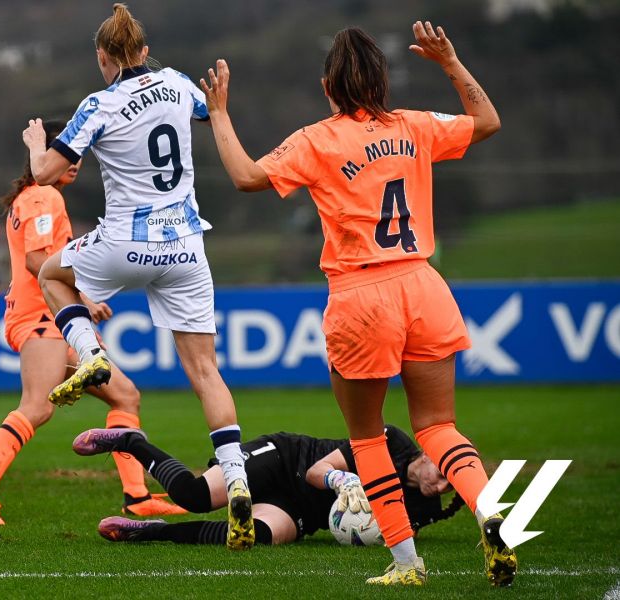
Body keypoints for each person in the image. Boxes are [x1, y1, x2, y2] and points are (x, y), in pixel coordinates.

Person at [198, 22, 516, 585]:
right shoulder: (416, 126)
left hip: (361, 295)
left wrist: (219, 113)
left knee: (368, 438)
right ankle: (489, 516)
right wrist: (450, 62)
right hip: (423, 284)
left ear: (329, 86)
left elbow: (248, 176)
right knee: (439, 427)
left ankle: (406, 564)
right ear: (382, 80)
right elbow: (488, 122)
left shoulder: (318, 139)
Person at [20, 4, 254, 549]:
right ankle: (238, 481)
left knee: (54, 276)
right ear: (145, 52)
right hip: (187, 246)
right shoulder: (174, 83)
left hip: (128, 240)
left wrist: (36, 145)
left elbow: (45, 174)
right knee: (206, 372)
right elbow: (207, 109)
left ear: (103, 57)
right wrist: (216, 100)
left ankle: (92, 355)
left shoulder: (99, 103)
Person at [0, 120, 185, 525]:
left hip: (51, 318)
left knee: (125, 396)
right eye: (67, 151)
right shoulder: (44, 196)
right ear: (45, 157)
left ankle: (136, 496)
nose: (75, 160)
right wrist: (85, 296)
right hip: (41, 317)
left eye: (78, 152)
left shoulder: (35, 196)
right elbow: (37, 259)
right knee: (38, 406)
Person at [73, 424, 463, 547]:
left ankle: (153, 533)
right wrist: (343, 481)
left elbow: (382, 532)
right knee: (192, 496)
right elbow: (316, 471)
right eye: (444, 474)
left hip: (303, 513)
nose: (443, 487)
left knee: (248, 536)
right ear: (428, 454)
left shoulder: (429, 506)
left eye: (451, 485)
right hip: (285, 461)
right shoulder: (390, 441)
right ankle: (130, 442)